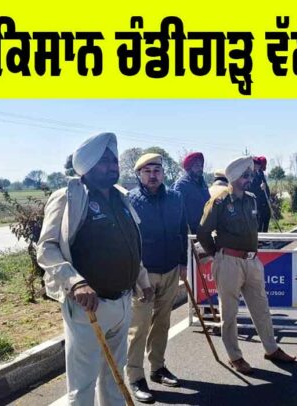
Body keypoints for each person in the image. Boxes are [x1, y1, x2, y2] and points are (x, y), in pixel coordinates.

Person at [37, 132, 153, 405]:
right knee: (83, 385)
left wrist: (142, 280)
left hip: (123, 302)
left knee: (115, 377)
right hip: (89, 308)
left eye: (114, 161)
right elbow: (47, 247)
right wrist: (75, 281)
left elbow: (129, 245)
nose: (113, 166)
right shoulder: (69, 197)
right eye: (104, 161)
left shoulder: (120, 197)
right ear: (86, 166)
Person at [196, 156, 297, 375]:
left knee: (261, 307)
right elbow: (203, 232)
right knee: (229, 313)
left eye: (250, 175)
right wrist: (217, 255)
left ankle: (271, 349)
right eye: (244, 176)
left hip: (251, 261)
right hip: (229, 262)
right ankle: (235, 356)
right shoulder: (220, 201)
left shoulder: (251, 199)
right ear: (233, 178)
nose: (249, 179)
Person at [126, 154, 189, 403]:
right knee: (139, 326)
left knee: (162, 322)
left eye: (157, 170)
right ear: (139, 175)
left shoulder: (176, 198)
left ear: (164, 173)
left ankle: (158, 368)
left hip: (171, 269)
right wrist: (134, 275)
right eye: (147, 171)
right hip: (143, 273)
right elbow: (128, 239)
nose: (153, 175)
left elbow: (182, 230)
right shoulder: (129, 201)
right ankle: (135, 376)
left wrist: (183, 263)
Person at [171, 152, 210, 234]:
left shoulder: (203, 184)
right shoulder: (181, 185)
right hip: (190, 233)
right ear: (189, 168)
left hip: (205, 229)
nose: (200, 168)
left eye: (201, 166)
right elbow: (176, 211)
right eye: (196, 166)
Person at [248, 156, 272, 233]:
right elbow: (250, 189)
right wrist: (260, 188)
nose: (258, 166)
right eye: (256, 164)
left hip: (263, 201)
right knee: (258, 220)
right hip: (255, 202)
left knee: (267, 215)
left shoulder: (260, 173)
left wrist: (267, 194)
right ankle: (259, 239)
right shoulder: (249, 174)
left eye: (258, 164)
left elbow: (265, 186)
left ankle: (265, 236)